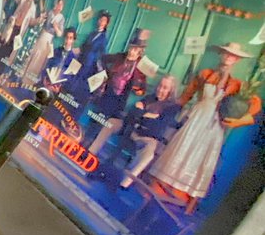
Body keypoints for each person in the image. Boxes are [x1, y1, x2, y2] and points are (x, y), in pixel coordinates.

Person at [151, 42, 260, 204]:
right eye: (226, 53)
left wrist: (239, 121)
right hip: (197, 118)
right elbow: (186, 95)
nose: (229, 57)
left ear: (237, 59)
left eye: (233, 55)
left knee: (202, 155)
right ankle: (160, 187)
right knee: (183, 147)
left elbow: (254, 105)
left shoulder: (237, 85)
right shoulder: (206, 74)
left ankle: (183, 194)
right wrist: (162, 107)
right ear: (221, 54)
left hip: (215, 124)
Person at [87, 74, 180, 187]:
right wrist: (148, 116)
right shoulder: (150, 98)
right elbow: (132, 113)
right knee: (112, 122)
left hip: (146, 137)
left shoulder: (172, 108)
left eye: (165, 88)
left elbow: (157, 128)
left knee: (149, 152)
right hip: (131, 127)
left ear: (171, 91)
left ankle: (125, 183)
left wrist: (141, 115)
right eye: (160, 86)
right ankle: (91, 153)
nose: (160, 89)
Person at [84, 30, 149, 154]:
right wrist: (103, 75)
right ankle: (84, 145)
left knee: (105, 126)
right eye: (131, 48)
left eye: (135, 50)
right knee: (96, 121)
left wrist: (138, 88)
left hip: (119, 101)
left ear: (140, 51)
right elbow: (101, 59)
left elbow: (142, 89)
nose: (131, 51)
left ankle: (90, 151)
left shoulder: (140, 67)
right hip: (106, 94)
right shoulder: (120, 57)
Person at [65, 11, 111, 106]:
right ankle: (67, 95)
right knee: (73, 76)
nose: (101, 21)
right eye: (101, 19)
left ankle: (74, 99)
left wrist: (100, 67)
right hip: (82, 58)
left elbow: (102, 53)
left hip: (90, 62)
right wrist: (76, 51)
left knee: (82, 81)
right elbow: (84, 45)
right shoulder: (92, 33)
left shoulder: (103, 38)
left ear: (106, 23)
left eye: (104, 20)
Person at [22, 0, 66, 85]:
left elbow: (59, 34)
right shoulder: (49, 12)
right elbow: (41, 21)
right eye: (58, 4)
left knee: (40, 60)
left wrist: (56, 27)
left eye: (61, 5)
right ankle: (23, 77)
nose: (59, 7)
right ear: (56, 4)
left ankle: (30, 81)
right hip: (42, 36)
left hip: (49, 40)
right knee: (33, 55)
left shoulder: (61, 18)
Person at [0, 0, 39, 65]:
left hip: (19, 29)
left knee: (11, 48)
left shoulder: (33, 7)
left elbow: (31, 21)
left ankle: (2, 66)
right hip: (13, 24)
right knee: (4, 42)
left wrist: (39, 20)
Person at [43, 27, 79, 92]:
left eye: (70, 38)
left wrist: (59, 89)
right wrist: (44, 80)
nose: (68, 40)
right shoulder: (56, 51)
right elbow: (47, 65)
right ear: (64, 38)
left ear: (73, 40)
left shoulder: (74, 60)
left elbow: (69, 79)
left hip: (58, 89)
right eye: (66, 37)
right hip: (46, 83)